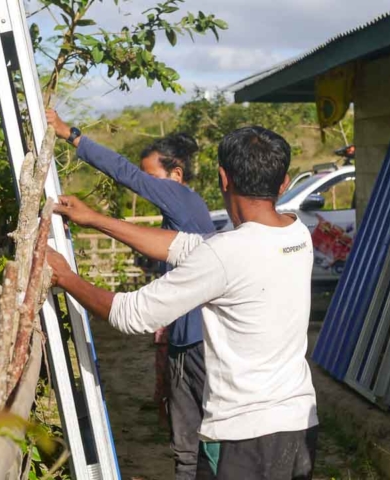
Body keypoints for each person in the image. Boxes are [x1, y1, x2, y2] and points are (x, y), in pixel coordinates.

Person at [47, 126, 319, 479]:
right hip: (299, 425)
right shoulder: (297, 233)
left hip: (243, 439)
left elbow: (132, 315)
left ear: (224, 178)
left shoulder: (226, 253)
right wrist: (96, 220)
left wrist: (66, 277)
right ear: (283, 183)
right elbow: (186, 246)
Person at [45, 109, 216, 479]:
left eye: (151, 177)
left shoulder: (183, 199)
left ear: (177, 174)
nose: (145, 186)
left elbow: (125, 174)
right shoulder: (182, 215)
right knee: (189, 442)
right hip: (186, 343)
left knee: (199, 444)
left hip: (197, 345)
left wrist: (71, 135)